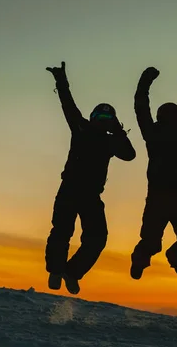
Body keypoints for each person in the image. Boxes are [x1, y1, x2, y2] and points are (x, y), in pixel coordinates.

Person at [44, 61, 136, 294]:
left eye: (108, 118)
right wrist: (61, 81)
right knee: (62, 231)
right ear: (93, 117)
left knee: (97, 238)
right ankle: (56, 270)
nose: (102, 120)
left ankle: (71, 273)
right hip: (70, 188)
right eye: (100, 116)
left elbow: (130, 155)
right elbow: (68, 105)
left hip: (91, 195)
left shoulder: (110, 140)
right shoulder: (81, 128)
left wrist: (118, 130)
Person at [130, 67, 177, 280]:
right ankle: (142, 261)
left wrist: (146, 82)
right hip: (160, 196)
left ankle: (174, 257)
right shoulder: (155, 133)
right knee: (152, 241)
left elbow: (141, 107)